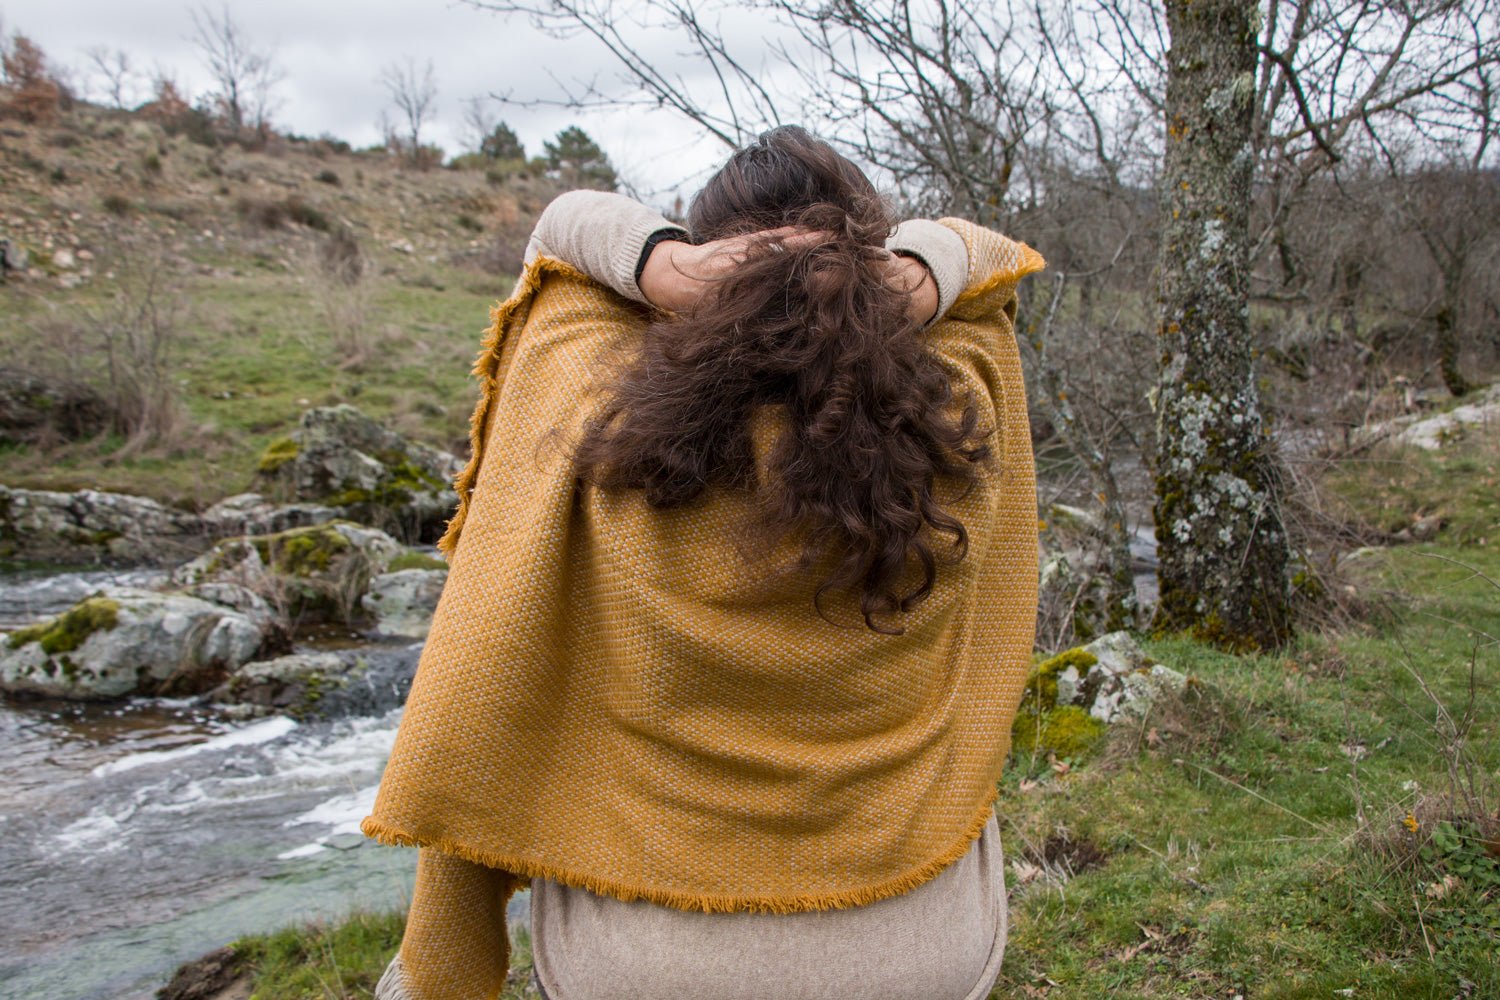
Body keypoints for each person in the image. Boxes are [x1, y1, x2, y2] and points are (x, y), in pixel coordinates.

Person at [363, 125, 1045, 1000]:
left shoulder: (588, 386)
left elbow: (562, 229)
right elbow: (983, 254)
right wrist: (885, 277)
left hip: (644, 967)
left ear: (692, 268)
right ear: (873, 261)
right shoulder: (963, 382)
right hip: (915, 954)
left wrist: (672, 268)